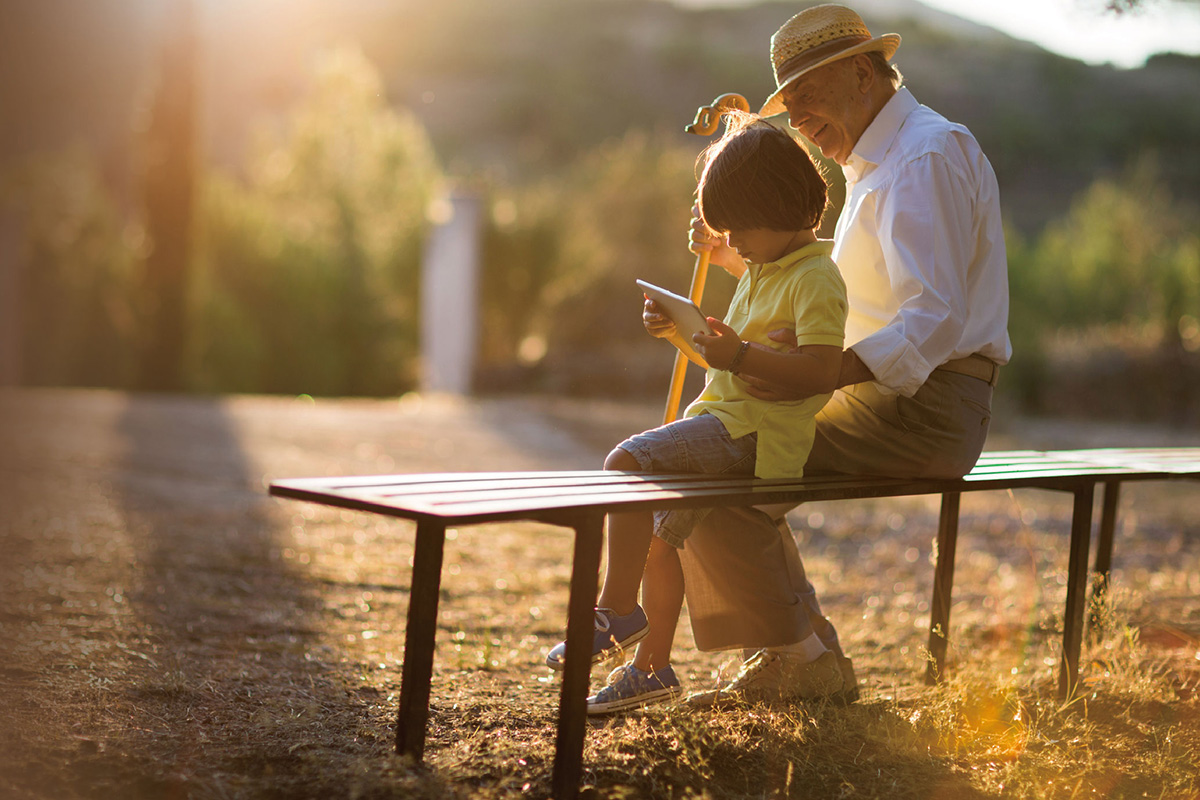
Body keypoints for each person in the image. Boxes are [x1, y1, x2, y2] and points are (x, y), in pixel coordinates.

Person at [639, 3, 1012, 707]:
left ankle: (801, 659)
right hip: (896, 397)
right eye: (790, 104)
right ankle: (803, 655)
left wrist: (823, 373)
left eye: (807, 96)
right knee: (724, 449)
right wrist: (735, 254)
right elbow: (835, 297)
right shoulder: (882, 160)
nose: (798, 120)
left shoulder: (923, 156)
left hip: (923, 409)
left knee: (719, 456)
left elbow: (934, 317)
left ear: (862, 73)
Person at [545, 112, 850, 714]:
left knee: (627, 461)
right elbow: (731, 363)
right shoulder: (766, 270)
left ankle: (617, 609)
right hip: (731, 419)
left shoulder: (816, 279)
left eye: (741, 229)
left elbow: (821, 372)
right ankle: (652, 666)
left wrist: (737, 352)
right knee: (662, 540)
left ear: (786, 210)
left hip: (756, 436)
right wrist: (683, 335)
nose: (732, 243)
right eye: (726, 230)